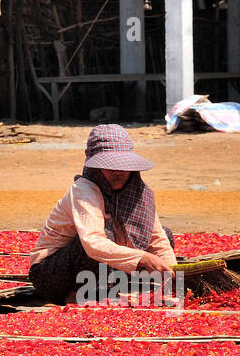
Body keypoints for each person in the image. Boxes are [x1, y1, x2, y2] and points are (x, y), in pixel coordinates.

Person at [28, 124, 177, 304]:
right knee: (100, 239)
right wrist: (143, 258)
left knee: (166, 235)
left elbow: (157, 239)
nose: (117, 171)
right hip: (53, 276)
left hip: (105, 272)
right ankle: (80, 295)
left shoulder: (139, 191)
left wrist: (172, 275)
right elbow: (93, 244)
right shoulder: (84, 190)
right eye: (109, 165)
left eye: (122, 165)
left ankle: (109, 289)